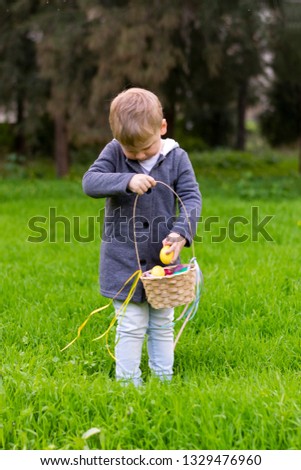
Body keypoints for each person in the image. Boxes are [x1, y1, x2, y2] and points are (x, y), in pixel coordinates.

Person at [82, 87, 201, 386]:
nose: (137, 155)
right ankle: (128, 384)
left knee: (162, 324)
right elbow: (90, 182)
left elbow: (190, 197)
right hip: (124, 264)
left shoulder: (176, 158)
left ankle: (163, 380)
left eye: (145, 149)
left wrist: (180, 233)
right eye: (129, 151)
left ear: (162, 128)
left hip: (163, 269)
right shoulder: (113, 152)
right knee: (131, 325)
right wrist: (126, 179)